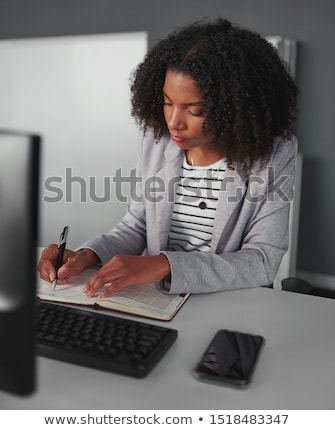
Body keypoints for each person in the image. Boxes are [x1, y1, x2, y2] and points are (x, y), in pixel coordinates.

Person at [39, 18, 298, 297]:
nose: (174, 122)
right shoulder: (155, 140)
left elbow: (261, 260)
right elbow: (136, 226)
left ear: (234, 109)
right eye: (166, 102)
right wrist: (88, 255)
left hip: (227, 300)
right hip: (154, 298)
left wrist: (165, 264)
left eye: (194, 110)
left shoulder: (272, 156)